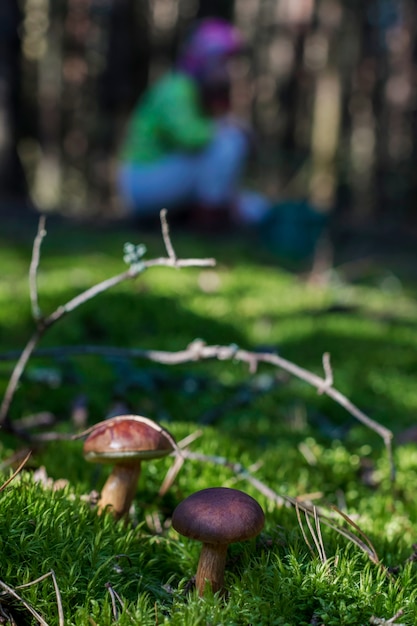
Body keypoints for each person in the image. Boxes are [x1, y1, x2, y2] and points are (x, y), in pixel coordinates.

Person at [117, 18, 271, 229]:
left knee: (257, 208)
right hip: (144, 180)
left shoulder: (194, 90)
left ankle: (207, 214)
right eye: (224, 62)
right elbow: (190, 137)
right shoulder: (177, 89)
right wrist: (231, 126)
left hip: (159, 178)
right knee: (229, 143)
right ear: (207, 58)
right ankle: (209, 222)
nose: (230, 70)